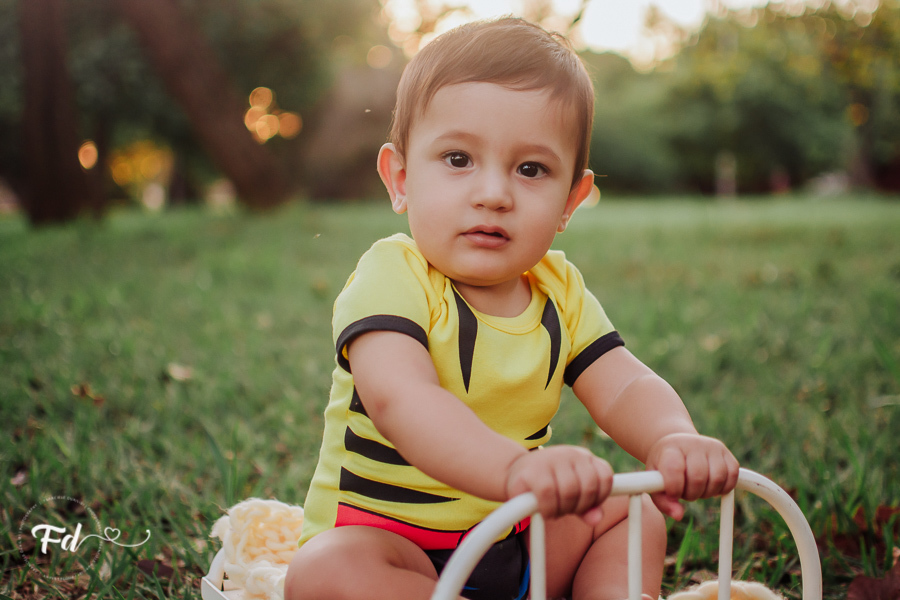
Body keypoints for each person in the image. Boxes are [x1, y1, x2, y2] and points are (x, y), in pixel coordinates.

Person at [284, 17, 739, 600]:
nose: (494, 193)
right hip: (395, 549)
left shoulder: (560, 290)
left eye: (531, 169)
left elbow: (623, 384)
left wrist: (672, 437)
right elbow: (404, 400)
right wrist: (512, 471)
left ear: (571, 199)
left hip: (514, 540)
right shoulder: (392, 276)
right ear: (400, 178)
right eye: (457, 159)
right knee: (326, 572)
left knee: (632, 512)